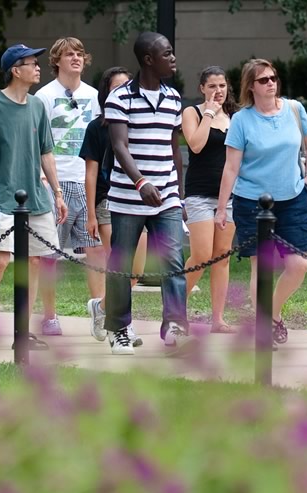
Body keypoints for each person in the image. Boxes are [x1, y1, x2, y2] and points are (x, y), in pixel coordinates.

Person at [215, 58, 307, 348]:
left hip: (292, 197)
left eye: (273, 77)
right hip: (252, 202)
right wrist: (222, 208)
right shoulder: (241, 120)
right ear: (251, 86)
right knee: (260, 267)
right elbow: (231, 168)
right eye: (263, 80)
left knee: (299, 264)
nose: (271, 83)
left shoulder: (295, 109)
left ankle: (272, 313)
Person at [0, 43, 67, 346]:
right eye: (31, 63)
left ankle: (22, 331)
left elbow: (46, 153)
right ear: (15, 70)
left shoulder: (37, 106)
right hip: (1, 197)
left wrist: (58, 193)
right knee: (0, 260)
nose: (38, 68)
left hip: (36, 198)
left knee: (36, 261)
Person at [104, 31, 192, 355]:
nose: (173, 58)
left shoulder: (173, 98)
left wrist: (179, 195)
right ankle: (117, 328)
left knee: (173, 261)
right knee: (122, 264)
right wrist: (141, 182)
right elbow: (119, 146)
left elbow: (174, 147)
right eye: (166, 53)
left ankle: (175, 327)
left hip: (166, 194)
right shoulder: (120, 98)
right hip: (129, 196)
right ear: (148, 60)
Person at [35, 37, 102, 336]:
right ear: (56, 62)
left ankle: (99, 312)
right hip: (54, 182)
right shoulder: (44, 96)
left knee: (96, 251)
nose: (75, 58)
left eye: (79, 53)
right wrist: (41, 176)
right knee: (49, 254)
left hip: (86, 180)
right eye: (68, 54)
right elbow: (35, 140)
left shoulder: (94, 95)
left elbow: (101, 140)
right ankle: (50, 316)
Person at [79, 66, 147, 347]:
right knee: (120, 266)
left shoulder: (141, 121)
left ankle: (103, 308)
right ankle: (122, 326)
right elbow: (91, 173)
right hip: (109, 200)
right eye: (116, 88)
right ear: (106, 93)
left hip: (139, 200)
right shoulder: (98, 127)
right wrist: (91, 213)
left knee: (135, 272)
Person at [183, 66, 238, 333]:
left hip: (228, 196)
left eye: (222, 86)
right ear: (202, 88)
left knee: (222, 258)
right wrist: (208, 114)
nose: (218, 91)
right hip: (199, 194)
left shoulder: (235, 116)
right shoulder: (191, 112)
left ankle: (217, 319)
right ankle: (174, 308)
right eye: (213, 86)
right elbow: (195, 144)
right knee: (202, 254)